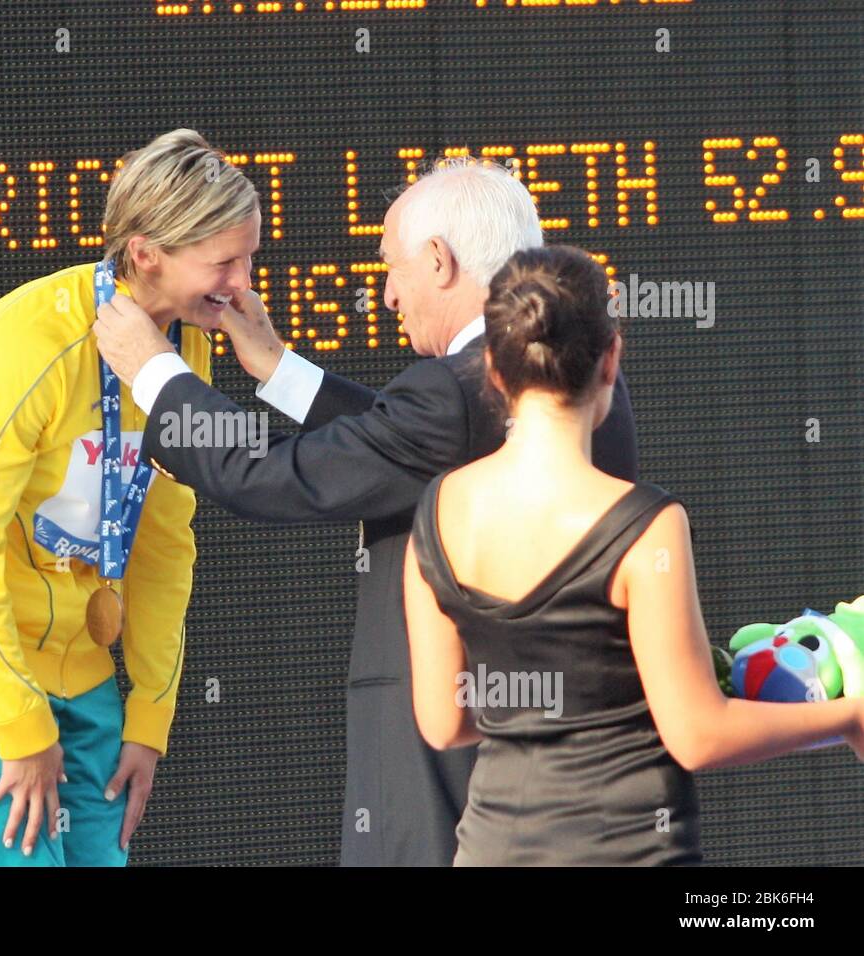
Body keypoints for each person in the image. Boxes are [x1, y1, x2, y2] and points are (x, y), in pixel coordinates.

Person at [92, 156, 638, 865]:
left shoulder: (453, 396)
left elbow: (272, 477)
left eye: (392, 268)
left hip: (447, 750)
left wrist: (157, 375)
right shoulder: (589, 384)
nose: (386, 295)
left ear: (438, 261)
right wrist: (280, 371)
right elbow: (401, 439)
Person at [403, 244, 864, 865]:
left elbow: (443, 722)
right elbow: (698, 733)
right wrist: (849, 716)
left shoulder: (435, 515)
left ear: (492, 367)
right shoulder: (646, 526)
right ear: (611, 358)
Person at [0, 129, 257, 865]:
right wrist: (20, 728)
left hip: (82, 673)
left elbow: (164, 536)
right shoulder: (26, 341)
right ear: (146, 254)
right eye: (223, 262)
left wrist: (149, 713)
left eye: (250, 258)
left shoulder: (183, 348)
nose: (243, 283)